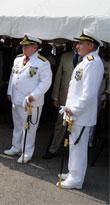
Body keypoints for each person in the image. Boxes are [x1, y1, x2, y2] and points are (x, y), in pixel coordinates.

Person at [57, 29, 104, 189]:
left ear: (91, 45)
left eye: (80, 43)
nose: (77, 46)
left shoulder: (93, 63)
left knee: (79, 146)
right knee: (74, 145)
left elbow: (89, 94)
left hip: (81, 114)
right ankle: (73, 172)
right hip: (76, 113)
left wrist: (74, 109)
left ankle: (76, 179)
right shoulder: (87, 61)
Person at [4, 34, 52, 163]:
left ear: (35, 47)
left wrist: (33, 95)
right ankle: (16, 147)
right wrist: (10, 91)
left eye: (26, 45)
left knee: (29, 129)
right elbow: (13, 76)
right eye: (23, 45)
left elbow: (46, 82)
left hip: (31, 102)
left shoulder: (42, 62)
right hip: (16, 98)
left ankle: (27, 152)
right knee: (18, 125)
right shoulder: (18, 59)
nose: (23, 48)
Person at [43, 42, 79, 159]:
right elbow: (58, 77)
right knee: (60, 124)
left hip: (79, 99)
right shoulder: (65, 56)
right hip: (64, 97)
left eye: (79, 43)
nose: (76, 45)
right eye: (75, 43)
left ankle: (74, 154)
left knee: (77, 127)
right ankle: (53, 149)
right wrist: (55, 96)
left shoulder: (89, 59)